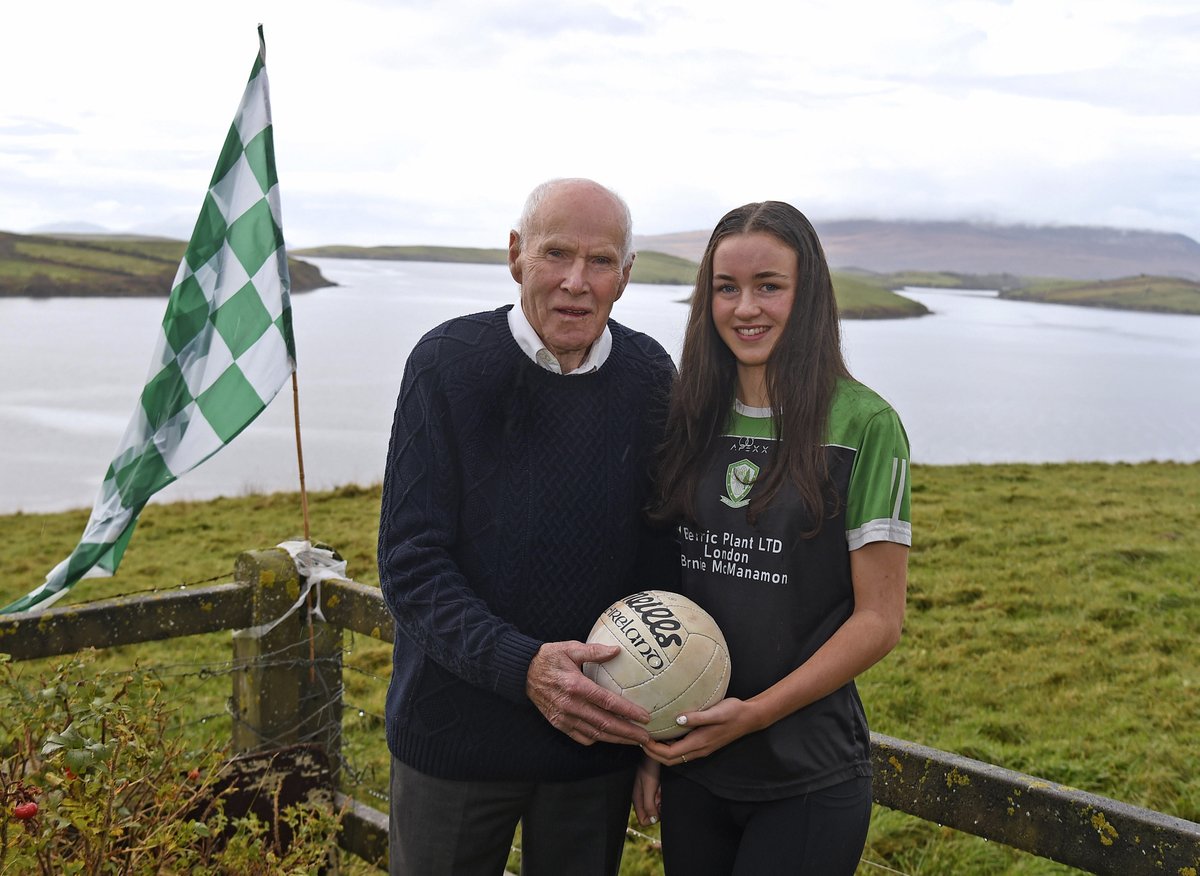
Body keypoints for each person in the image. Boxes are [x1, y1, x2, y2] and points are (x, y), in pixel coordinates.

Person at [377, 177, 677, 876]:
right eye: (556, 254)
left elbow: (660, 562)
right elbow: (411, 564)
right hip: (454, 740)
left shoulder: (651, 377)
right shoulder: (445, 363)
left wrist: (653, 732)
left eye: (601, 261)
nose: (577, 282)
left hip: (595, 742)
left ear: (626, 277)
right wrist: (527, 669)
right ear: (516, 255)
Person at [634, 201, 911, 875]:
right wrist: (652, 739)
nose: (745, 307)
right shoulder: (688, 418)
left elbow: (880, 620)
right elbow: (671, 593)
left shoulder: (866, 425)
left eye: (769, 286)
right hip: (694, 763)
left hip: (807, 780)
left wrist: (754, 714)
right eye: (726, 288)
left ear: (807, 292)